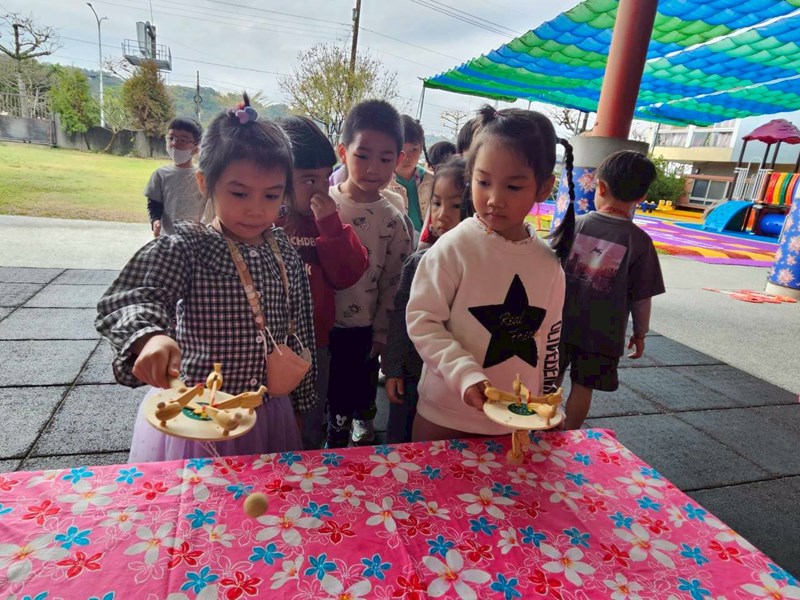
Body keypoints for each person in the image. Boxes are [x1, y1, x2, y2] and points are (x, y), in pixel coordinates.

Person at [97, 94, 317, 461]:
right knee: (198, 508)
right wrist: (150, 338)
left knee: (259, 507)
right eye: (239, 192)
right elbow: (132, 296)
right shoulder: (190, 247)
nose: (255, 208)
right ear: (205, 183)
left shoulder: (282, 250)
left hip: (266, 413)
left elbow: (300, 327)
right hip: (198, 419)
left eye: (271, 195)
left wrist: (301, 399)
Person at [406, 106, 575, 441]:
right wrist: (464, 374)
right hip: (445, 414)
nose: (494, 199)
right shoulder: (453, 248)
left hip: (516, 421)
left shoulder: (547, 263)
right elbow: (423, 321)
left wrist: (547, 404)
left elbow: (549, 342)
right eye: (483, 182)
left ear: (543, 188)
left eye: (513, 187)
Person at [275, 115, 370, 450]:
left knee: (310, 421)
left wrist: (330, 226)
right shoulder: (266, 221)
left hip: (315, 345)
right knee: (269, 418)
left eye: (324, 178)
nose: (320, 188)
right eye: (308, 180)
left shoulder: (328, 221)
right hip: (266, 343)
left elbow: (349, 274)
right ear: (280, 179)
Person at [327, 99, 413, 447]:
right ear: (343, 151)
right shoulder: (322, 204)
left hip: (363, 329)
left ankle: (350, 439)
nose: (373, 167)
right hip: (317, 326)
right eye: (363, 155)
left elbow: (395, 284)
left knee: (354, 393)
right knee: (321, 397)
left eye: (385, 158)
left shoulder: (395, 221)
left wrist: (382, 334)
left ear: (399, 160)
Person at [559, 150, 665, 430]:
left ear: (600, 187)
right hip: (602, 333)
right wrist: (640, 333)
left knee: (548, 381)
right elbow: (642, 298)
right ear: (641, 198)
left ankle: (538, 428)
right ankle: (569, 436)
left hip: (559, 324)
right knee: (583, 388)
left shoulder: (576, 226)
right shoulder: (640, 242)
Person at [384, 156, 473, 443]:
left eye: (456, 205)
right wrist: (393, 367)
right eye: (436, 203)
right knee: (402, 439)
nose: (443, 214)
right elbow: (401, 316)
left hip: (457, 379)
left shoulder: (482, 266)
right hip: (413, 370)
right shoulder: (420, 261)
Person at [145, 117, 205, 237]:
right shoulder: (161, 174)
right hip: (168, 236)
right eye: (171, 138)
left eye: (183, 140)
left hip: (196, 237)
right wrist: (155, 220)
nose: (175, 143)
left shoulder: (203, 176)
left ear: (196, 148)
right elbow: (154, 203)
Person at [394, 115, 433, 234]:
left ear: (421, 148)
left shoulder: (432, 181)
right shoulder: (380, 183)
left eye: (413, 149)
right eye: (401, 150)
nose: (407, 157)